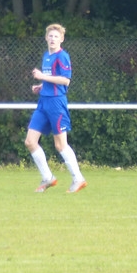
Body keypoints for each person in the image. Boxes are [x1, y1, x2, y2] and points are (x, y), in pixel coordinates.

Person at [24, 24, 87, 193]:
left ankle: (78, 179)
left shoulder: (62, 56)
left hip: (56, 103)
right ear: (46, 38)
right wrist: (41, 86)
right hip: (43, 102)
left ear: (61, 39)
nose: (52, 39)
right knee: (30, 141)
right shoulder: (47, 55)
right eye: (50, 36)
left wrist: (43, 77)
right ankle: (48, 178)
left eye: (56, 36)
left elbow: (65, 80)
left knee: (60, 145)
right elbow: (51, 79)